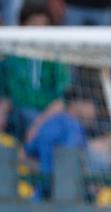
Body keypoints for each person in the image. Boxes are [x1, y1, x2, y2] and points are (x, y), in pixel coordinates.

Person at [23, 86, 111, 195]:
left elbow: (26, 152)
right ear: (78, 104)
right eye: (92, 103)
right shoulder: (72, 126)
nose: (94, 111)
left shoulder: (49, 124)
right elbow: (73, 157)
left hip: (42, 192)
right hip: (64, 192)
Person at [0, 0, 71, 142]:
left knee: (67, 129)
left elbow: (61, 101)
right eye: (34, 24)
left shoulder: (56, 60)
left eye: (43, 24)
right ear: (23, 25)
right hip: (17, 118)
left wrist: (38, 125)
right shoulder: (10, 58)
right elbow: (5, 98)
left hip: (48, 118)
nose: (39, 29)